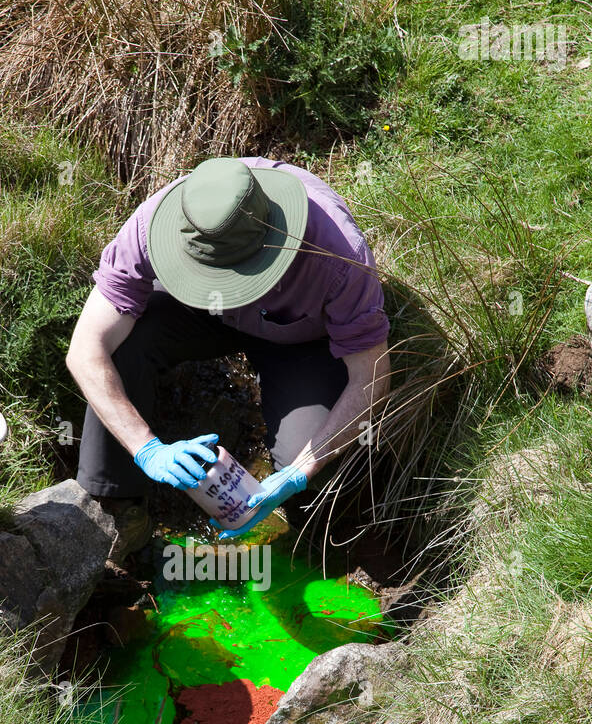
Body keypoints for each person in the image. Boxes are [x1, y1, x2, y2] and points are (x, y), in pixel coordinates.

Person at [66, 155, 391, 555]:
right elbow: (85, 350)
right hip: (206, 315)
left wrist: (300, 470)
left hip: (300, 342)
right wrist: (146, 448)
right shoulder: (152, 225)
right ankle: (117, 512)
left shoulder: (339, 254)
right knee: (122, 347)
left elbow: (370, 375)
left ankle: (319, 536)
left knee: (303, 451)